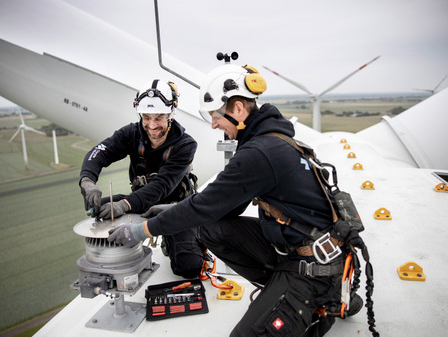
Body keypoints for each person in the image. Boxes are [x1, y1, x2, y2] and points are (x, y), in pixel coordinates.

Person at [108, 65, 363, 336]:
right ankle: (282, 289)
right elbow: (224, 207)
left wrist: (140, 231)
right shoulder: (268, 140)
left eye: (215, 116)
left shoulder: (260, 152)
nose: (214, 124)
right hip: (293, 248)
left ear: (238, 109)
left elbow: (203, 205)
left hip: (314, 268)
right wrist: (172, 210)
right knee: (209, 228)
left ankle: (320, 300)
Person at [79, 79, 204, 279]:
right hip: (142, 202)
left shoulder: (185, 144)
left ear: (171, 114)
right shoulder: (131, 133)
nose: (152, 125)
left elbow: (161, 186)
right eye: (146, 117)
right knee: (100, 208)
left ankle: (192, 237)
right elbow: (99, 152)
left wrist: (124, 205)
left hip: (174, 206)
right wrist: (87, 182)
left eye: (159, 117)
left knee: (188, 267)